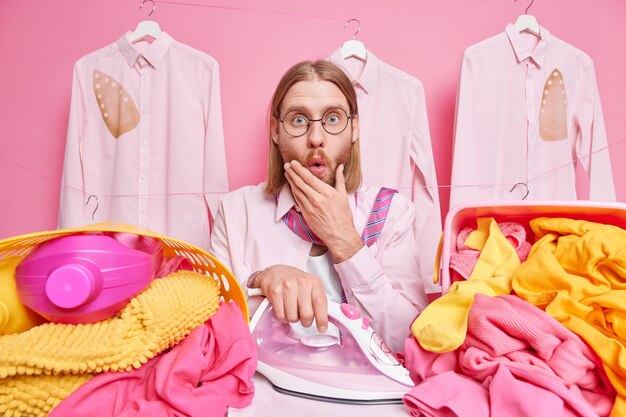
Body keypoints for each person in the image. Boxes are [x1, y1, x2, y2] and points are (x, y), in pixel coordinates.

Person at [210, 60, 426, 353]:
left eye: (333, 119)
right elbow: (212, 331)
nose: (316, 138)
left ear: (354, 128)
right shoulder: (237, 211)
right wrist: (261, 281)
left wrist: (345, 242)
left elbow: (410, 343)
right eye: (298, 120)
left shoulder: (392, 213)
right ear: (276, 130)